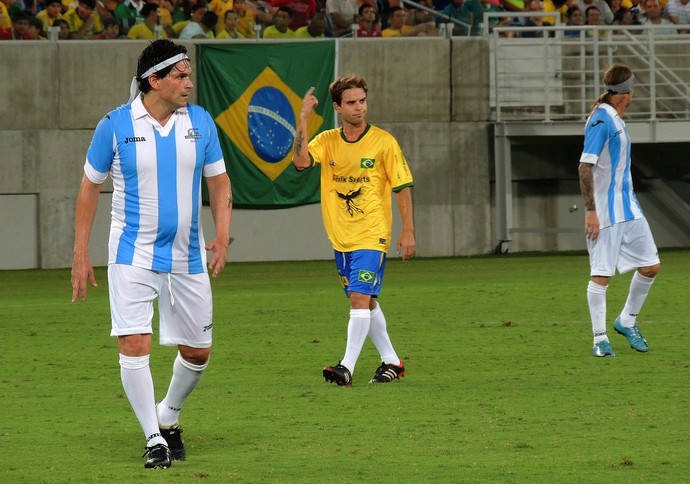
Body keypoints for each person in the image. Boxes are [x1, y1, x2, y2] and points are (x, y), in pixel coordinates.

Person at [71, 39, 232, 469]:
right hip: (132, 253)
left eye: (189, 74)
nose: (189, 83)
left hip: (189, 255)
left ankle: (169, 415)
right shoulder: (115, 124)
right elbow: (89, 186)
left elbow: (219, 181)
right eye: (180, 75)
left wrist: (223, 233)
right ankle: (153, 438)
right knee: (135, 341)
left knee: (198, 351)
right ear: (153, 80)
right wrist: (80, 252)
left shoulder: (200, 121)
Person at [292, 75, 415, 386]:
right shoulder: (328, 140)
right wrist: (304, 118)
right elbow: (300, 161)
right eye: (351, 102)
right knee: (367, 300)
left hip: (372, 233)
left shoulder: (384, 142)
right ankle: (391, 361)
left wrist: (408, 232)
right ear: (337, 107)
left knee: (359, 297)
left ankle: (346, 367)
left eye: (362, 101)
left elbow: (402, 187)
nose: (359, 107)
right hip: (340, 236)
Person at [578, 63, 660, 358]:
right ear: (629, 92)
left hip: (629, 208)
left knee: (650, 265)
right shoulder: (602, 120)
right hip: (606, 212)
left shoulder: (614, 117)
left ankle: (626, 321)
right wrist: (590, 211)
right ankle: (600, 340)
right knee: (601, 275)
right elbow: (585, 166)